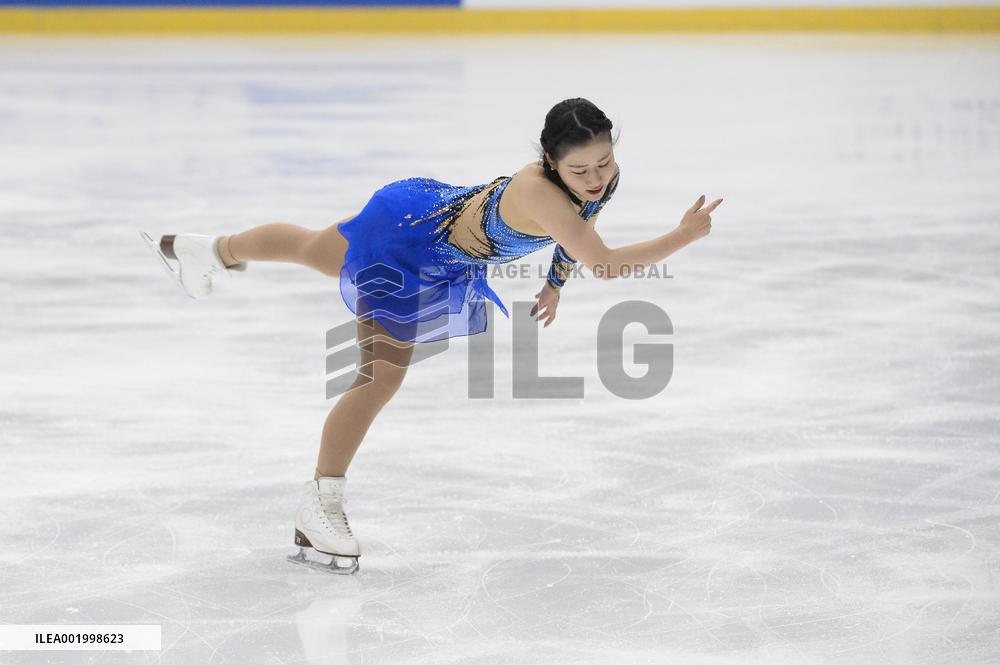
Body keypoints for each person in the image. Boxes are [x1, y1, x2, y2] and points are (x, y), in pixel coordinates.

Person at [141, 97, 721, 574]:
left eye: (604, 163)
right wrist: (682, 236)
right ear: (549, 162)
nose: (595, 179)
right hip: (408, 251)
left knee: (312, 248)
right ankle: (320, 504)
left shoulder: (595, 183)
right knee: (379, 378)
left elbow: (580, 228)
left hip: (423, 214)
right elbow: (606, 263)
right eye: (580, 170)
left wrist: (554, 283)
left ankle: (205, 250)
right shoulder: (539, 191)